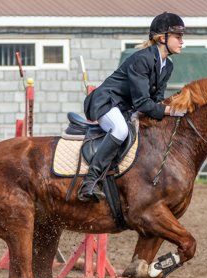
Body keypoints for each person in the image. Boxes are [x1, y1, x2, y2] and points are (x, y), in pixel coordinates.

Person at [79, 12, 187, 202]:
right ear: (163, 38)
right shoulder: (142, 59)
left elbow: (157, 100)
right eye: (178, 37)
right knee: (120, 130)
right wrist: (170, 111)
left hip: (126, 108)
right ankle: (90, 181)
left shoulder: (167, 65)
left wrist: (171, 106)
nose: (181, 41)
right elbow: (143, 102)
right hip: (107, 102)